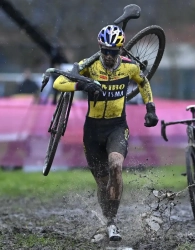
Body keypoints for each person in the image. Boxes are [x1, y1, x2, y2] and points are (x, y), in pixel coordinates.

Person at [53, 25, 159, 241]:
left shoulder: (129, 67)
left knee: (116, 166)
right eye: (106, 51)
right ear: (100, 48)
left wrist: (150, 109)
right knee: (102, 184)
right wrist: (83, 86)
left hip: (117, 127)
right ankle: (108, 220)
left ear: (120, 50)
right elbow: (59, 82)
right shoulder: (89, 66)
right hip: (92, 130)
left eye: (114, 52)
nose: (110, 56)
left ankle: (112, 223)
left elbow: (143, 81)